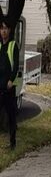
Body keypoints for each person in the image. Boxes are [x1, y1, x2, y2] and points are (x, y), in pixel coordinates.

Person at [0, 19, 19, 150]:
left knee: (11, 116)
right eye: (1, 29)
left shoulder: (13, 46)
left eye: (6, 28)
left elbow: (16, 66)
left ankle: (13, 143)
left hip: (9, 88)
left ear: (9, 30)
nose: (4, 31)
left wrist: (11, 80)